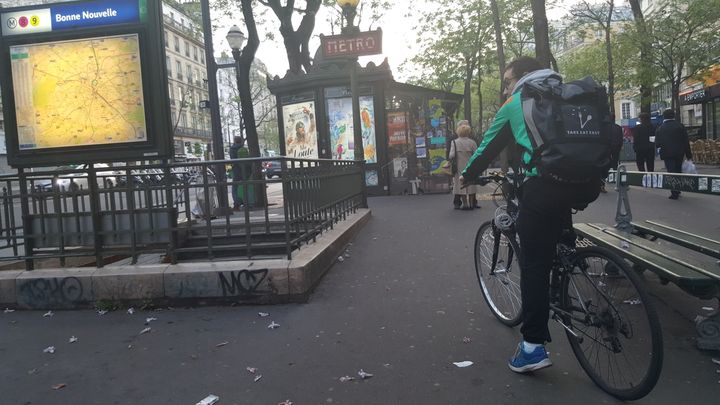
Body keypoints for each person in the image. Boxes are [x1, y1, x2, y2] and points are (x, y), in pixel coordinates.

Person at [460, 56, 601, 373]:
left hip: (544, 187)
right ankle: (567, 274)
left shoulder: (517, 102)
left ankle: (532, 348)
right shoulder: (569, 93)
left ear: (522, 76)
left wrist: (467, 175)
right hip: (586, 183)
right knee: (558, 238)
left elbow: (487, 148)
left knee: (535, 266)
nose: (506, 87)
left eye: (507, 80)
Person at [656, 108, 692, 199]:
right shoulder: (680, 126)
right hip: (679, 153)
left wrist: (660, 151)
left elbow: (658, 143)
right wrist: (688, 155)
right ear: (673, 116)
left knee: (671, 171)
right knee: (678, 170)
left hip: (667, 153)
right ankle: (678, 188)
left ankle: (674, 192)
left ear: (664, 116)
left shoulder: (660, 128)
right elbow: (685, 141)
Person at [449, 120, 478, 210]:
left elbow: (451, 155)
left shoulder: (455, 142)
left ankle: (465, 204)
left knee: (461, 185)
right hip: (471, 166)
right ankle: (471, 204)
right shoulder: (472, 142)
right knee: (471, 185)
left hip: (459, 166)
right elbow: (477, 154)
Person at [601, 115, 624, 192]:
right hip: (616, 147)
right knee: (615, 163)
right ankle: (615, 178)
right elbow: (621, 138)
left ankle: (603, 183)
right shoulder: (618, 127)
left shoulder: (604, 128)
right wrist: (620, 146)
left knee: (605, 163)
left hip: (607, 147)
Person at [229, 136, 251, 210]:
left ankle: (237, 203)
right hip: (246, 171)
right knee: (245, 187)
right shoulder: (244, 149)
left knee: (234, 188)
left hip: (237, 171)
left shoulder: (232, 149)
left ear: (234, 141)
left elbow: (233, 160)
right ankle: (247, 203)